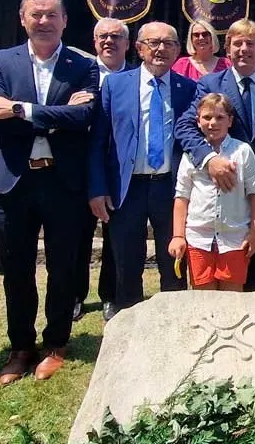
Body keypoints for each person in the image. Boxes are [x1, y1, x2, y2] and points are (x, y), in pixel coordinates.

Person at [0, 0, 98, 385]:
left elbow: (84, 116)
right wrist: (56, 114)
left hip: (63, 183)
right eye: (36, 15)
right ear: (22, 18)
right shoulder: (0, 61)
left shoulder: (82, 66)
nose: (44, 21)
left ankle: (56, 343)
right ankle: (20, 346)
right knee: (16, 271)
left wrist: (19, 108)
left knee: (64, 267)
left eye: (52, 15)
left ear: (65, 20)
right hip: (14, 182)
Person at [88, 22, 197, 315]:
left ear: (178, 50)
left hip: (170, 188)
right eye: (153, 43)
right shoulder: (115, 84)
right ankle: (128, 319)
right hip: (127, 187)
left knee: (173, 257)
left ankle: (173, 320)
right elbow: (99, 140)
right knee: (126, 259)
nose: (161, 49)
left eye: (169, 43)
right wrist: (97, 189)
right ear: (139, 48)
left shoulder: (187, 88)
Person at [176, 19, 255, 292]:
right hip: (216, 187)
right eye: (237, 43)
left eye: (250, 44)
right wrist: (209, 159)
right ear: (227, 49)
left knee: (252, 256)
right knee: (211, 269)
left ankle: (248, 326)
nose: (244, 49)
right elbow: (184, 127)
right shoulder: (210, 83)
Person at [170, 94, 255, 291]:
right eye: (207, 117)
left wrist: (254, 234)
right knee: (203, 300)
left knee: (232, 301)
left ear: (230, 121)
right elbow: (181, 197)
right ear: (198, 120)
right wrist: (178, 236)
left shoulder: (243, 151)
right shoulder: (190, 155)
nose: (213, 123)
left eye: (220, 118)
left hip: (235, 239)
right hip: (198, 239)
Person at [71, 18, 128, 323]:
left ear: (127, 44)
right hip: (78, 166)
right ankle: (75, 295)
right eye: (102, 36)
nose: (109, 41)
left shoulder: (135, 76)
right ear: (94, 42)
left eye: (116, 36)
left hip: (117, 168)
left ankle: (111, 295)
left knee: (114, 237)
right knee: (77, 235)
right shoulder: (78, 75)